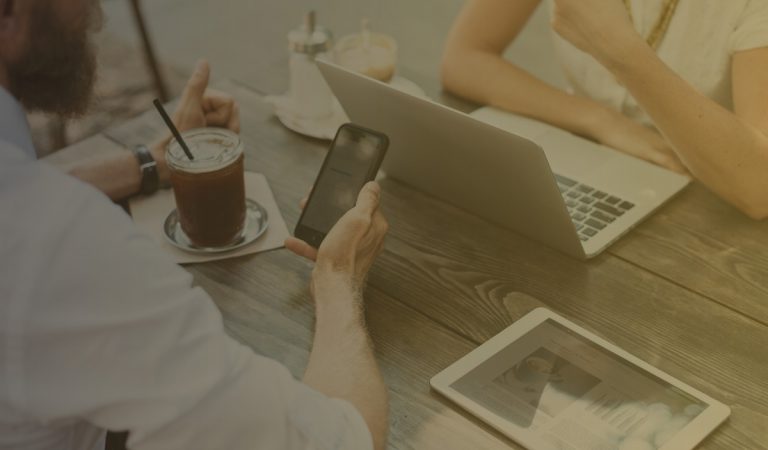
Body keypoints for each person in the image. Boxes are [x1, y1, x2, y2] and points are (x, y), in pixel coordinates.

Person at [0, 1, 389, 449]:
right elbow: (344, 441)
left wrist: (146, 163)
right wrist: (339, 278)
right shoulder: (59, 246)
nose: (97, 8)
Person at [442, 0, 768, 219]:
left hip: (708, 196)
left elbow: (758, 186)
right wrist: (600, 120)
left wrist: (617, 48)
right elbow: (464, 58)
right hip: (591, 164)